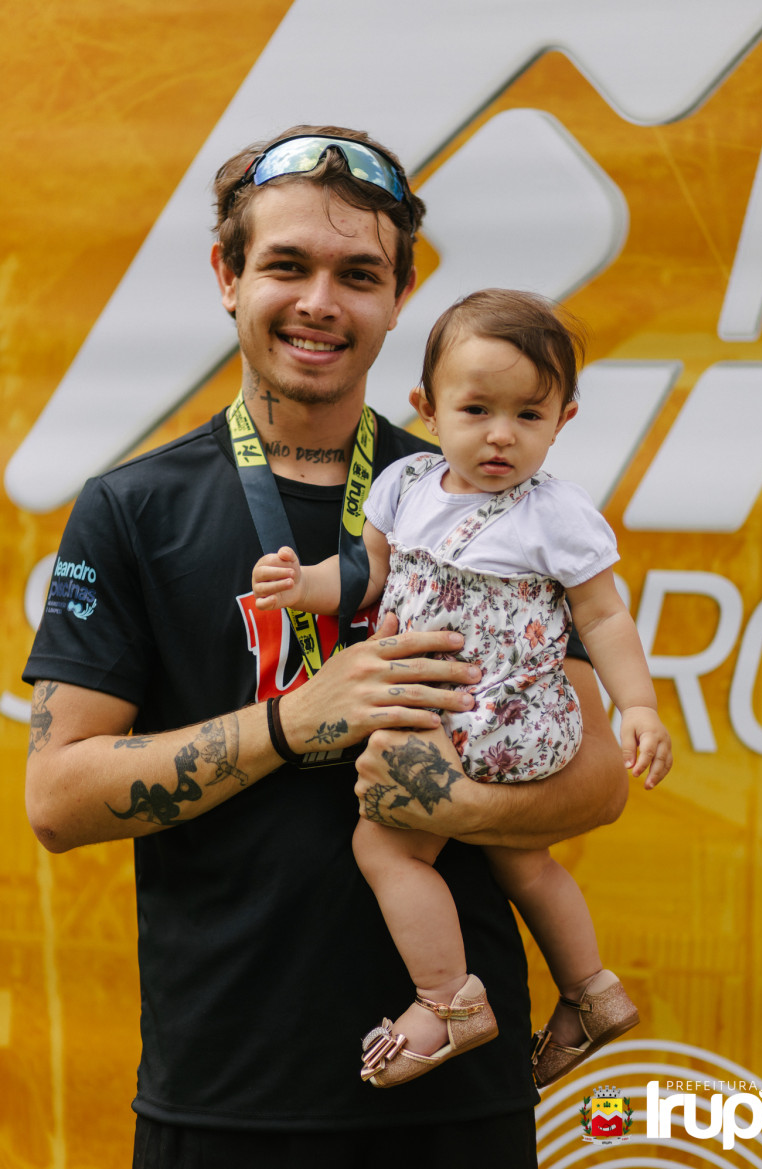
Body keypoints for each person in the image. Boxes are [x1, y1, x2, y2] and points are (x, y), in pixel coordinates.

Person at [23, 126, 628, 1169]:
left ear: (399, 297)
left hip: (457, 1095)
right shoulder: (131, 508)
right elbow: (57, 800)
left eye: (357, 274)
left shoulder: (490, 497)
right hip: (225, 1093)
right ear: (228, 277)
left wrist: (443, 801)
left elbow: (599, 780)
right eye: (286, 265)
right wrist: (292, 720)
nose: (320, 302)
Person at [252, 287, 672, 1090]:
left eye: (529, 414)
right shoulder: (406, 484)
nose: (501, 434)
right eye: (477, 409)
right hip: (497, 721)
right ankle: (592, 989)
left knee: (384, 847)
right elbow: (366, 575)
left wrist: (640, 706)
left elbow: (605, 615)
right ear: (428, 407)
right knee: (523, 861)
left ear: (564, 419)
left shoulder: (556, 513)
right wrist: (302, 585)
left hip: (480, 715)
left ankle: (447, 999)